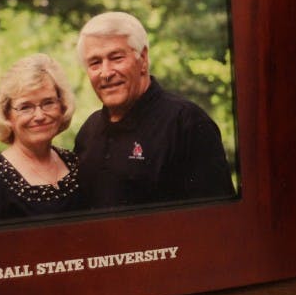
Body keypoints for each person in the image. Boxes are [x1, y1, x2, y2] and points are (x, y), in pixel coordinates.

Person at [74, 11, 235, 209]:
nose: (106, 73)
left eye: (116, 58)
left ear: (143, 58)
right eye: (95, 63)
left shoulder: (187, 124)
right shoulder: (88, 132)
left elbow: (217, 219)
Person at [0, 54, 82, 229]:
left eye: (48, 103)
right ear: (6, 114)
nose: (39, 116)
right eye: (26, 107)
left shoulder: (75, 163)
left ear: (62, 106)